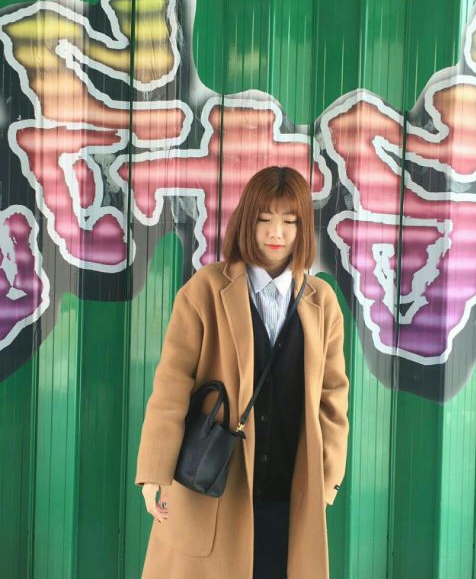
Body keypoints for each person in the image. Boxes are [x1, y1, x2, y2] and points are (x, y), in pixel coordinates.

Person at [135, 166, 349, 579]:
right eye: (264, 219)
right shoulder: (205, 290)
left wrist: (327, 477)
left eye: (290, 221)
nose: (276, 232)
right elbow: (172, 384)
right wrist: (153, 472)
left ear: (303, 228)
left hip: (289, 491)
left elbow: (333, 397)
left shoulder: (322, 302)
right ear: (246, 221)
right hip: (215, 487)